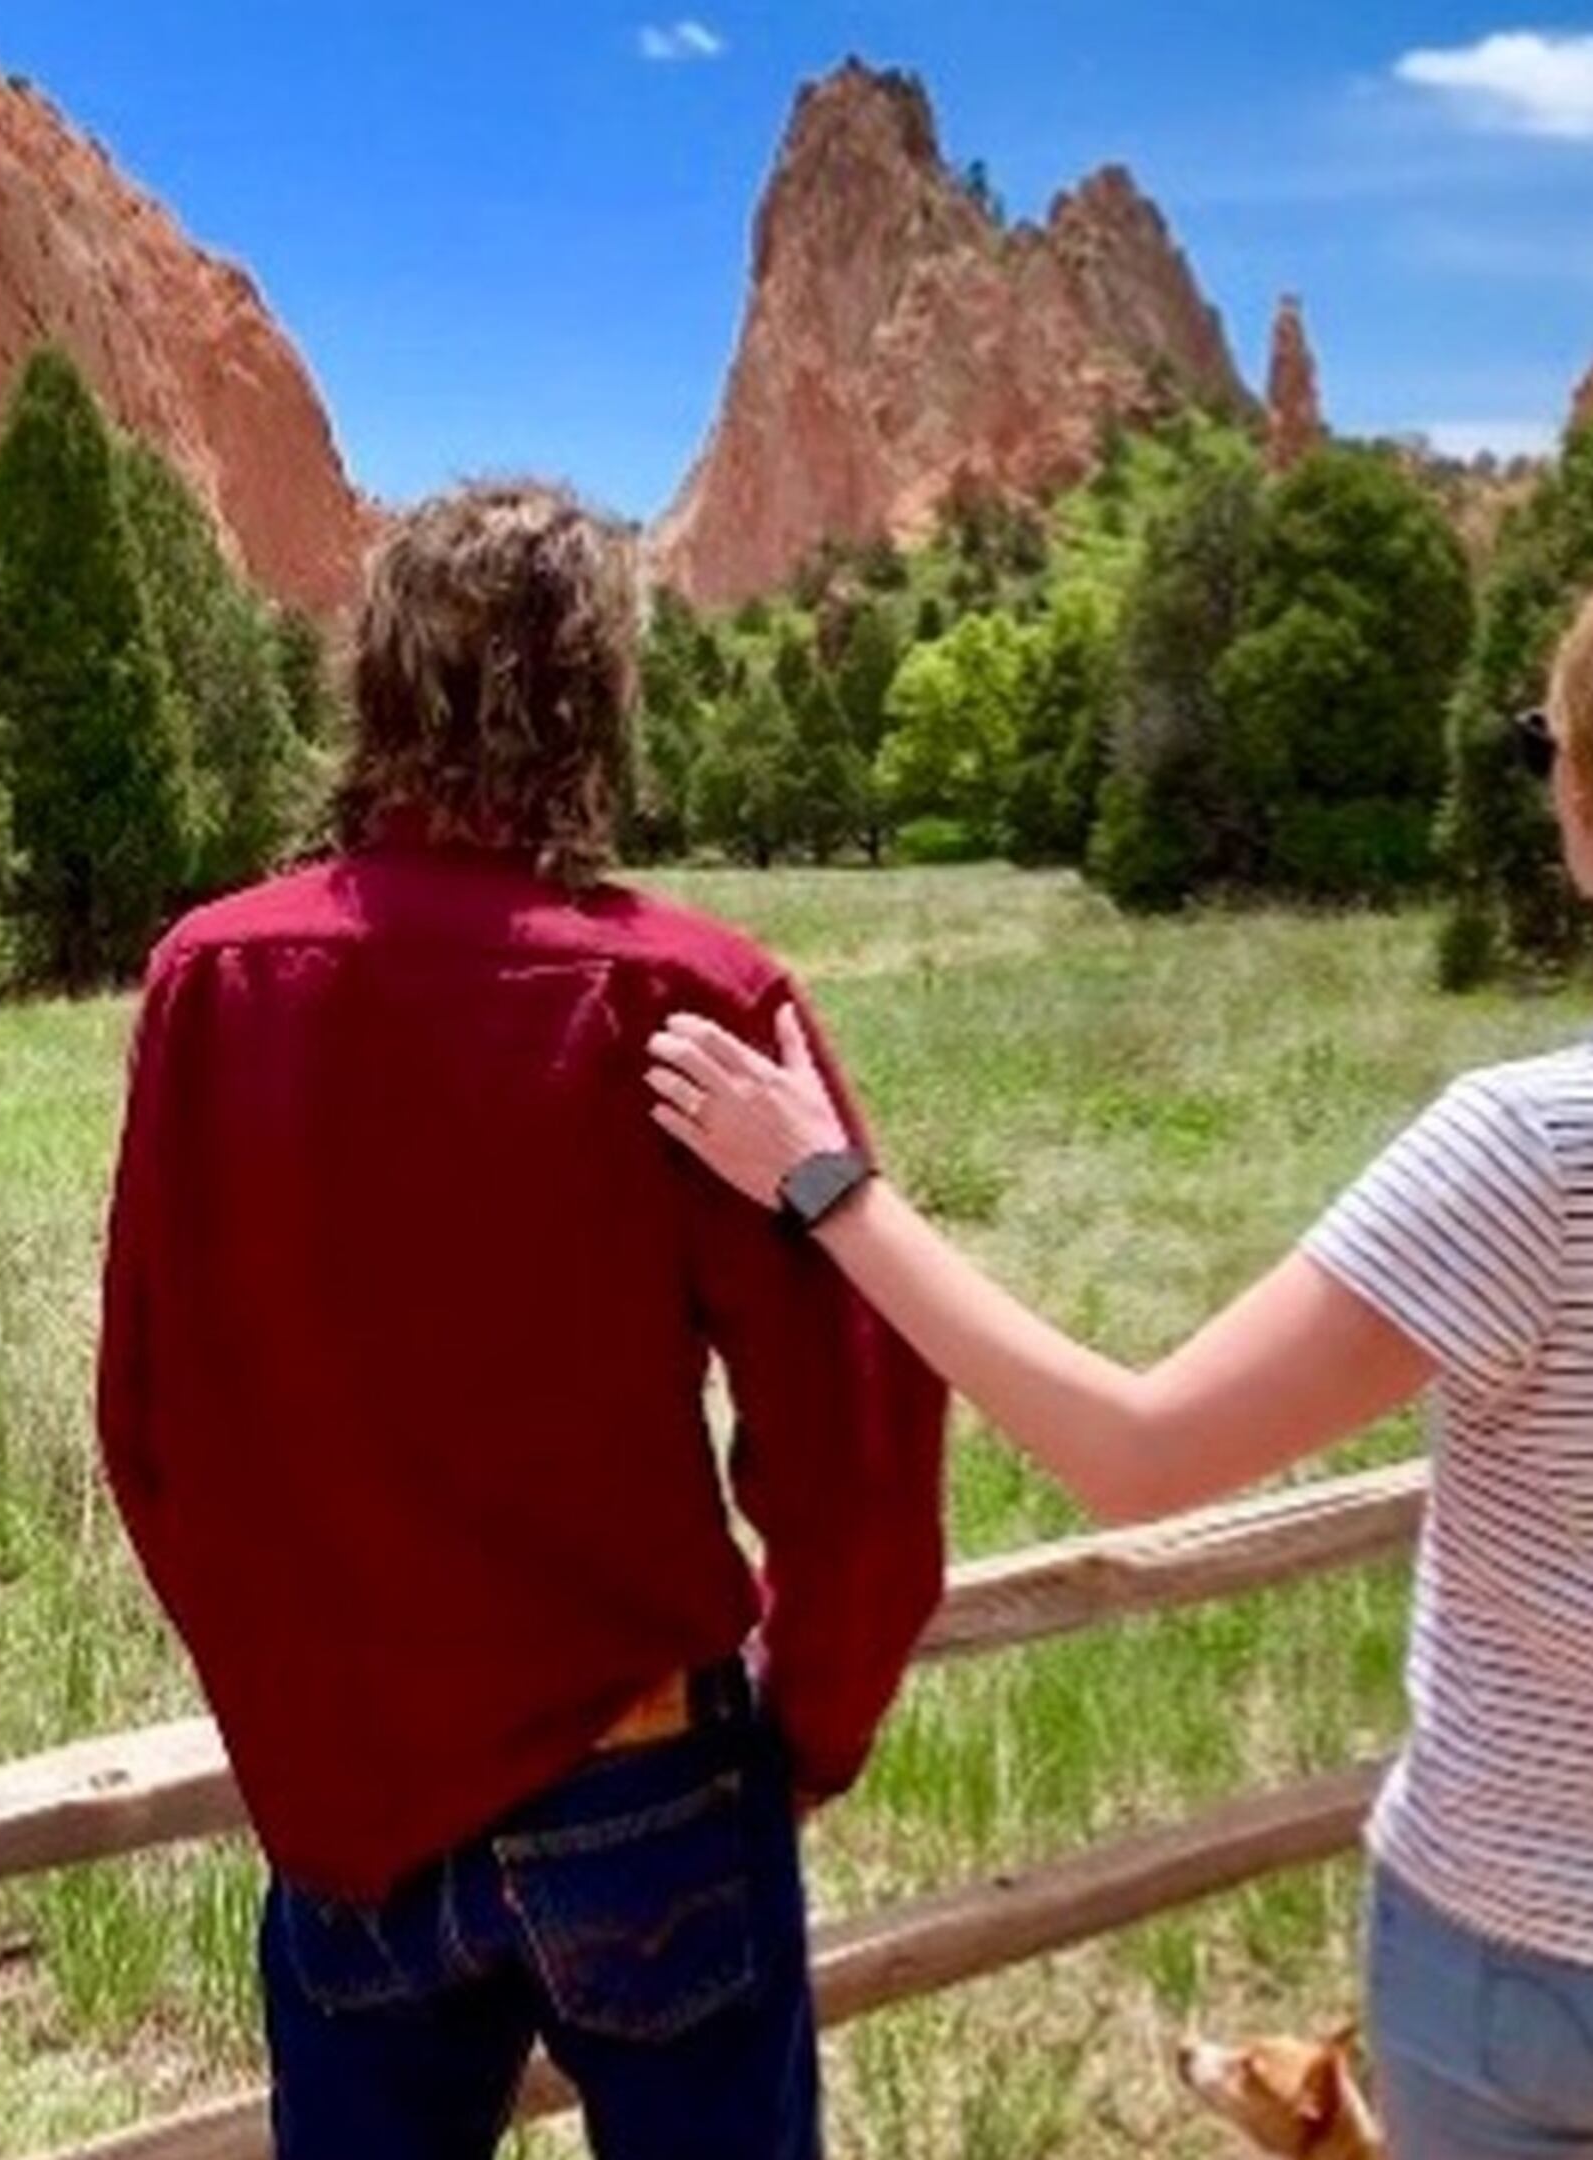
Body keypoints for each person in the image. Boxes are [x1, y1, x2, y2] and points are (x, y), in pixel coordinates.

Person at [647, 539, 1593, 2160]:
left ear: (1585, 812)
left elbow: (1136, 1447)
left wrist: (830, 1190)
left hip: (1546, 1959)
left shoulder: (1531, 1149)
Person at [96, 481, 947, 2160]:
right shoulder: (696, 995)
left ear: (376, 684)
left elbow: (152, 1428)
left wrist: (299, 1719)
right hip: (649, 1781)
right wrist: (814, 1726)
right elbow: (860, 1427)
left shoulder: (212, 982)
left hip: (351, 1808)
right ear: (600, 698)